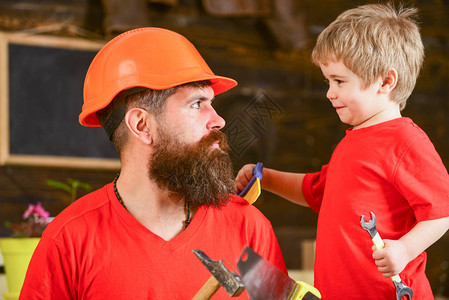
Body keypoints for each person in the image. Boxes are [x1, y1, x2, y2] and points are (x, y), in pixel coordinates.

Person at [20, 27, 287, 299]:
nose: (218, 120)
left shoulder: (248, 227)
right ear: (142, 124)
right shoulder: (69, 240)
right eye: (197, 104)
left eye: (212, 103)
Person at [236, 3, 449, 299]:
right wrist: (267, 178)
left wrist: (405, 249)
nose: (329, 92)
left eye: (339, 81)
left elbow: (442, 212)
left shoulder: (405, 141)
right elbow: (316, 191)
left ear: (386, 81)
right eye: (327, 81)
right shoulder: (353, 141)